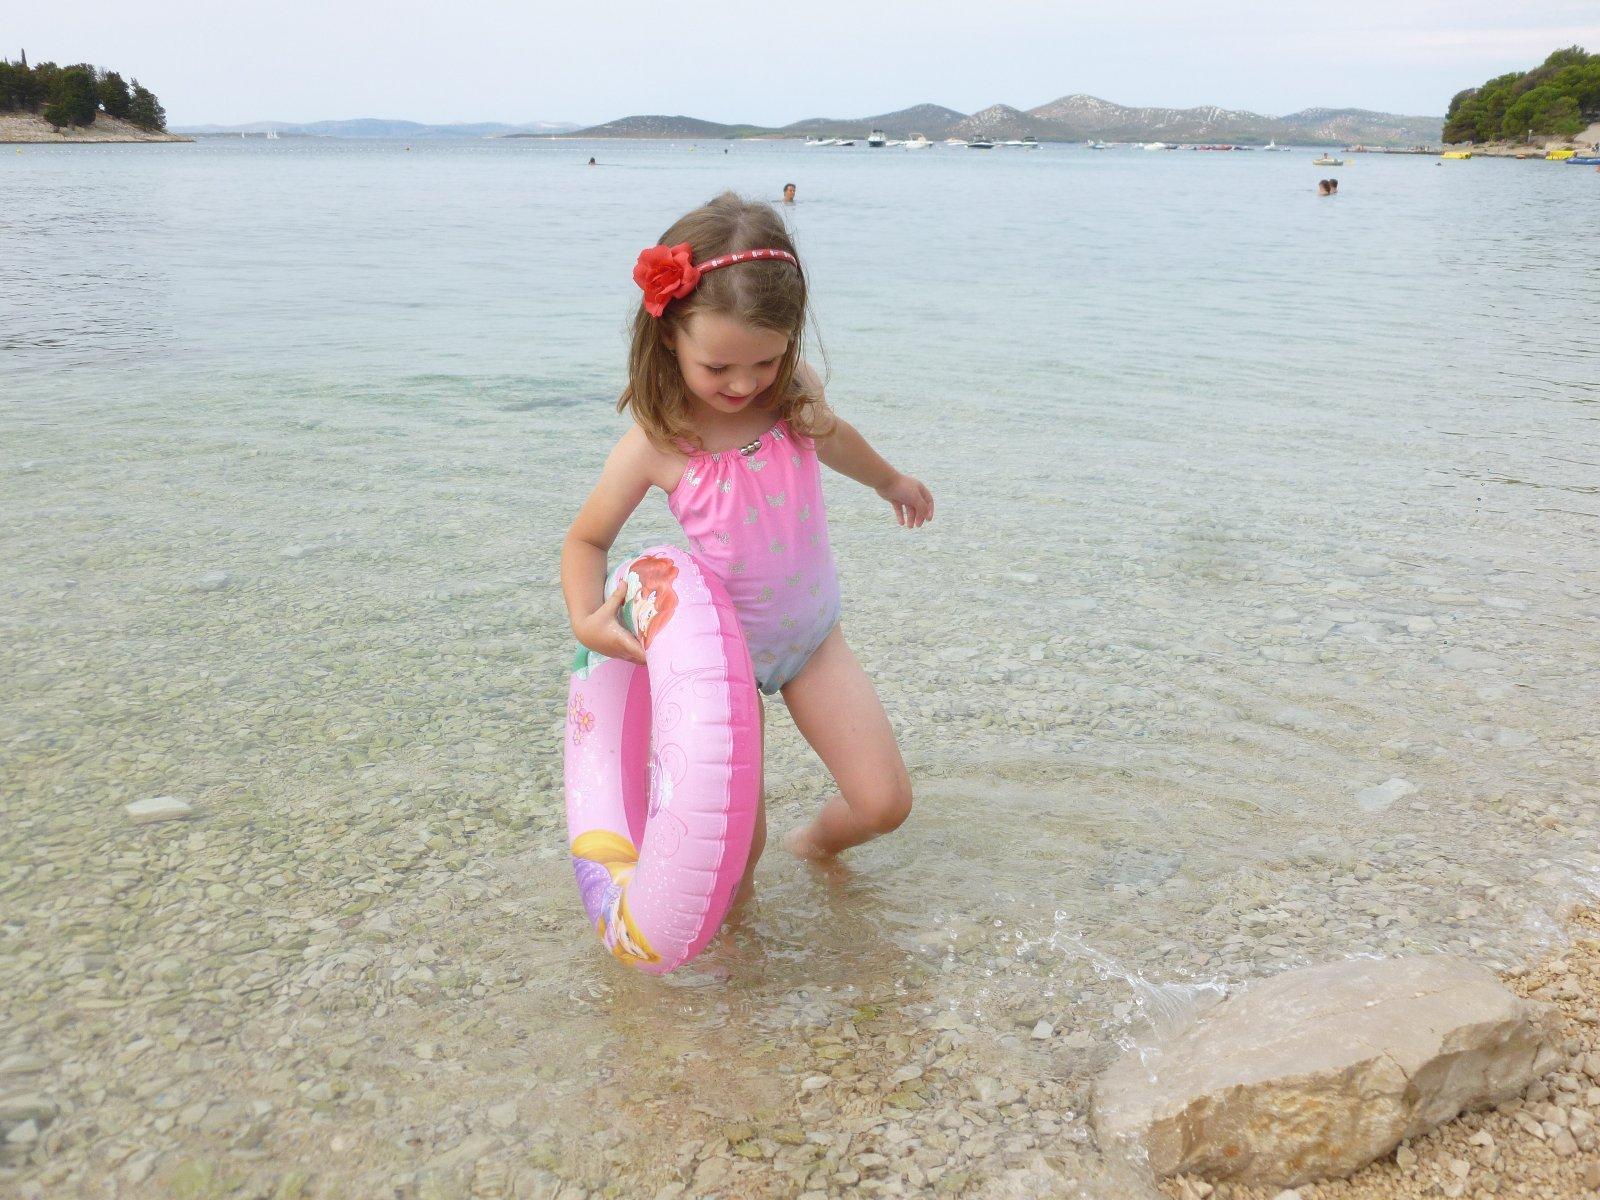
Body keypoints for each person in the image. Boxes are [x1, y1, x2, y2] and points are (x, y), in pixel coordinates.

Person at [561, 192, 933, 908]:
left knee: (884, 803)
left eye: (764, 361)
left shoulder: (792, 395)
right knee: (735, 853)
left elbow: (834, 438)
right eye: (718, 367)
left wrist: (890, 481)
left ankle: (814, 848)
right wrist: (586, 619)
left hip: (810, 640)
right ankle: (737, 964)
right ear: (670, 338)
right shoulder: (659, 443)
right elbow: (586, 539)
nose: (743, 384)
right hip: (716, 662)